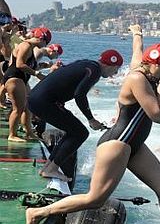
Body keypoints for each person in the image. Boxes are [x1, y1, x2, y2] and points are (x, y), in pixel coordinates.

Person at [26, 24, 160, 224]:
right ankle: (38, 212)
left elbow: (138, 50)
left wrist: (137, 33)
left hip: (134, 144)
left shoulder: (144, 68)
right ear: (155, 65)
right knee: (95, 199)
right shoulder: (138, 79)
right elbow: (156, 115)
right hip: (117, 143)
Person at [28, 49, 123, 181]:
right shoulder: (95, 71)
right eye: (116, 69)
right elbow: (80, 95)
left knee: (72, 131)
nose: (116, 73)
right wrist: (91, 119)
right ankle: (51, 169)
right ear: (110, 65)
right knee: (80, 133)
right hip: (44, 102)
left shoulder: (87, 64)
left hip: (36, 99)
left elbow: (64, 83)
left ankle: (48, 168)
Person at [2, 27, 50, 142]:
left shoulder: (30, 47)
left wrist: (43, 67)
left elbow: (28, 64)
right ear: (41, 38)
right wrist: (36, 74)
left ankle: (29, 132)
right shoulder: (26, 45)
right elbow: (19, 64)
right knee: (17, 109)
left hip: (20, 79)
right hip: (14, 78)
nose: (45, 45)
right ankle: (12, 134)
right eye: (46, 42)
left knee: (28, 106)